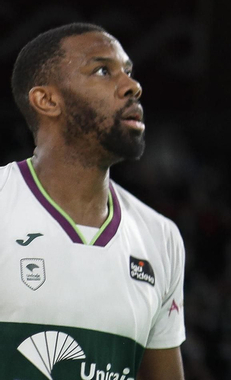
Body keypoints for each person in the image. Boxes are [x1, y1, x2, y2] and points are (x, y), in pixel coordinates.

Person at [2, 23, 185, 380]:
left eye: (128, 72)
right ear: (47, 100)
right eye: (103, 71)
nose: (133, 86)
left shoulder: (160, 238)